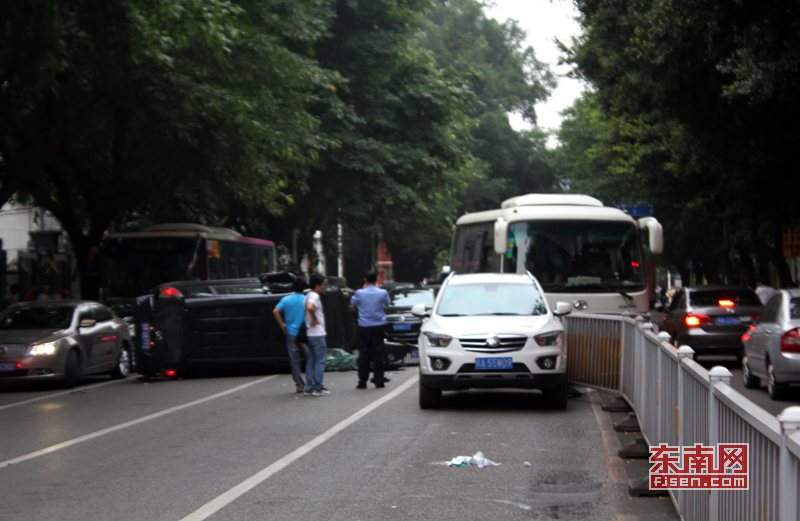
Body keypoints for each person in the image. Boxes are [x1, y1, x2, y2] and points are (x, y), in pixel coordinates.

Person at [351, 269, 391, 389]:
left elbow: (352, 303)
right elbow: (388, 303)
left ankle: (362, 381)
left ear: (365, 280)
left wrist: (363, 290)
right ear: (377, 279)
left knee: (364, 353)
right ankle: (379, 380)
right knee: (378, 352)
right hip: (378, 326)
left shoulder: (359, 293)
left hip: (364, 326)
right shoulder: (382, 292)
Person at [273, 277, 308, 393]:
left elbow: (275, 311)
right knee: (310, 357)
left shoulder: (286, 299)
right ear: (304, 287)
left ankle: (299, 384)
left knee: (295, 359)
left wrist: (282, 324)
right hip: (305, 333)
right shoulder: (307, 299)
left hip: (291, 332)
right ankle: (312, 381)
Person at [303, 273, 330, 396]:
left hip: (311, 334)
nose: (324, 286)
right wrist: (314, 318)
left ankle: (309, 387)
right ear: (317, 285)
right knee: (320, 361)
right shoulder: (314, 296)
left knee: (311, 361)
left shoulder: (308, 295)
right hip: (317, 334)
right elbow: (310, 307)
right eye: (323, 284)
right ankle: (318, 387)